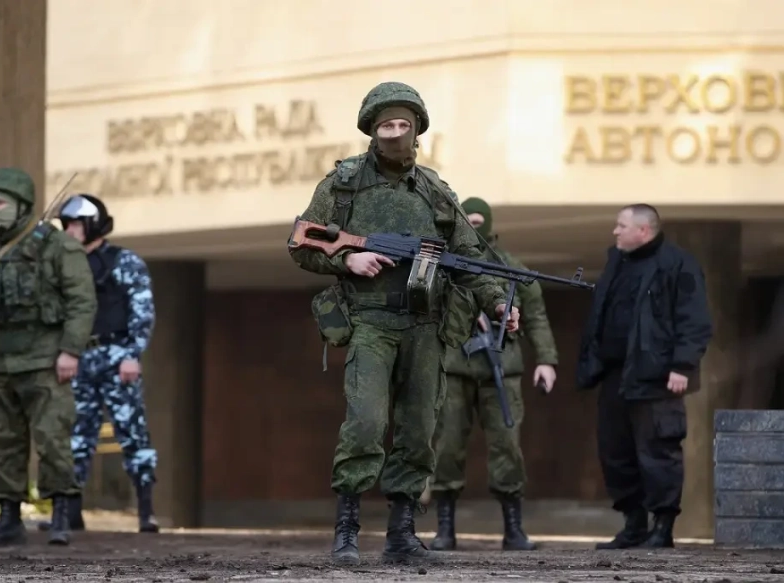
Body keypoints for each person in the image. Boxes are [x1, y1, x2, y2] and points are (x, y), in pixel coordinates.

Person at [288, 82, 519, 565]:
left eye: (402, 125)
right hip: (370, 322)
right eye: (386, 126)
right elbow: (301, 243)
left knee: (418, 429)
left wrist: (498, 303)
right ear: (371, 131)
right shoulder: (344, 183)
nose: (395, 134)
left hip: (425, 325)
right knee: (366, 423)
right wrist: (348, 260)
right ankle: (347, 529)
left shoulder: (435, 190)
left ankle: (402, 532)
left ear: (417, 131)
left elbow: (469, 257)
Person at [0, 167, 97, 547]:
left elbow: (82, 301)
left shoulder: (58, 246)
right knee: (1, 442)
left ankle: (61, 514)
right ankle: (8, 519)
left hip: (45, 361)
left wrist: (70, 350)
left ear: (21, 205)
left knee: (52, 439)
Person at [576, 204, 712, 549]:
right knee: (615, 452)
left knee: (659, 453)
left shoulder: (678, 264)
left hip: (658, 378)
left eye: (621, 226)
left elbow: (695, 320)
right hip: (615, 375)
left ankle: (662, 528)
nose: (615, 231)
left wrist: (683, 365)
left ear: (643, 230)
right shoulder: (616, 263)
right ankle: (633, 525)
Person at [428, 197, 558, 552]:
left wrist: (546, 360)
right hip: (454, 369)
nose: (474, 228)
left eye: (478, 222)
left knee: (507, 446)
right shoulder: (445, 264)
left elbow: (536, 316)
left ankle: (514, 529)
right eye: (467, 222)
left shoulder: (509, 267)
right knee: (446, 446)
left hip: (502, 368)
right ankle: (445, 528)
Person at [37, 193, 160, 533]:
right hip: (77, 358)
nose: (70, 230)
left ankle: (146, 511)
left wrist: (133, 353)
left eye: (76, 224)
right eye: (66, 224)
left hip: (117, 355)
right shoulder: (64, 264)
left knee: (132, 433)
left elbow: (142, 310)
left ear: (93, 225)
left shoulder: (123, 261)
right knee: (75, 436)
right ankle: (69, 513)